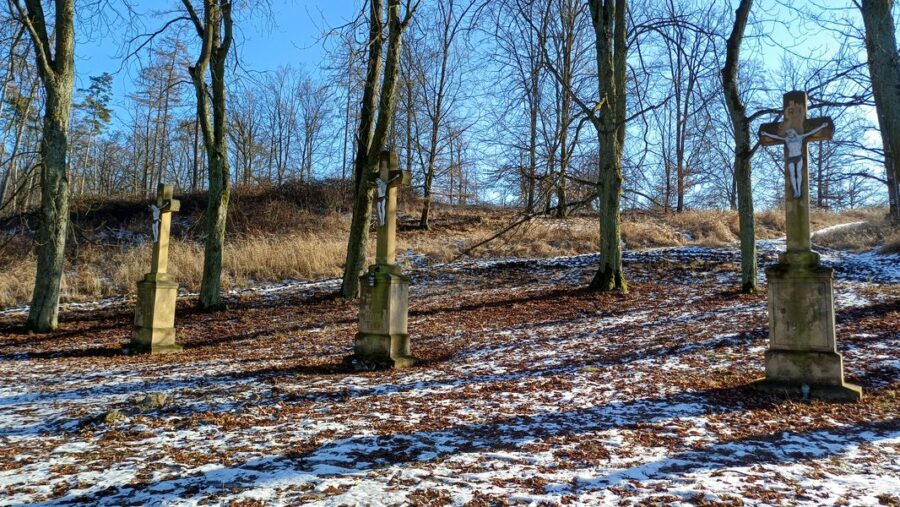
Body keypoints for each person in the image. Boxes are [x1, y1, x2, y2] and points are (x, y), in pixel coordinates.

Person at [761, 123, 827, 199]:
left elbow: (811, 132)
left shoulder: (799, 138)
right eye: (788, 133)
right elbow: (776, 137)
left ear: (793, 132)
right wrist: (766, 133)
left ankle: (799, 189)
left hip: (798, 157)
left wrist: (822, 126)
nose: (789, 134)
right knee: (792, 175)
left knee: (798, 173)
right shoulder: (787, 139)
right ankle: (795, 191)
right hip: (791, 158)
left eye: (790, 133)